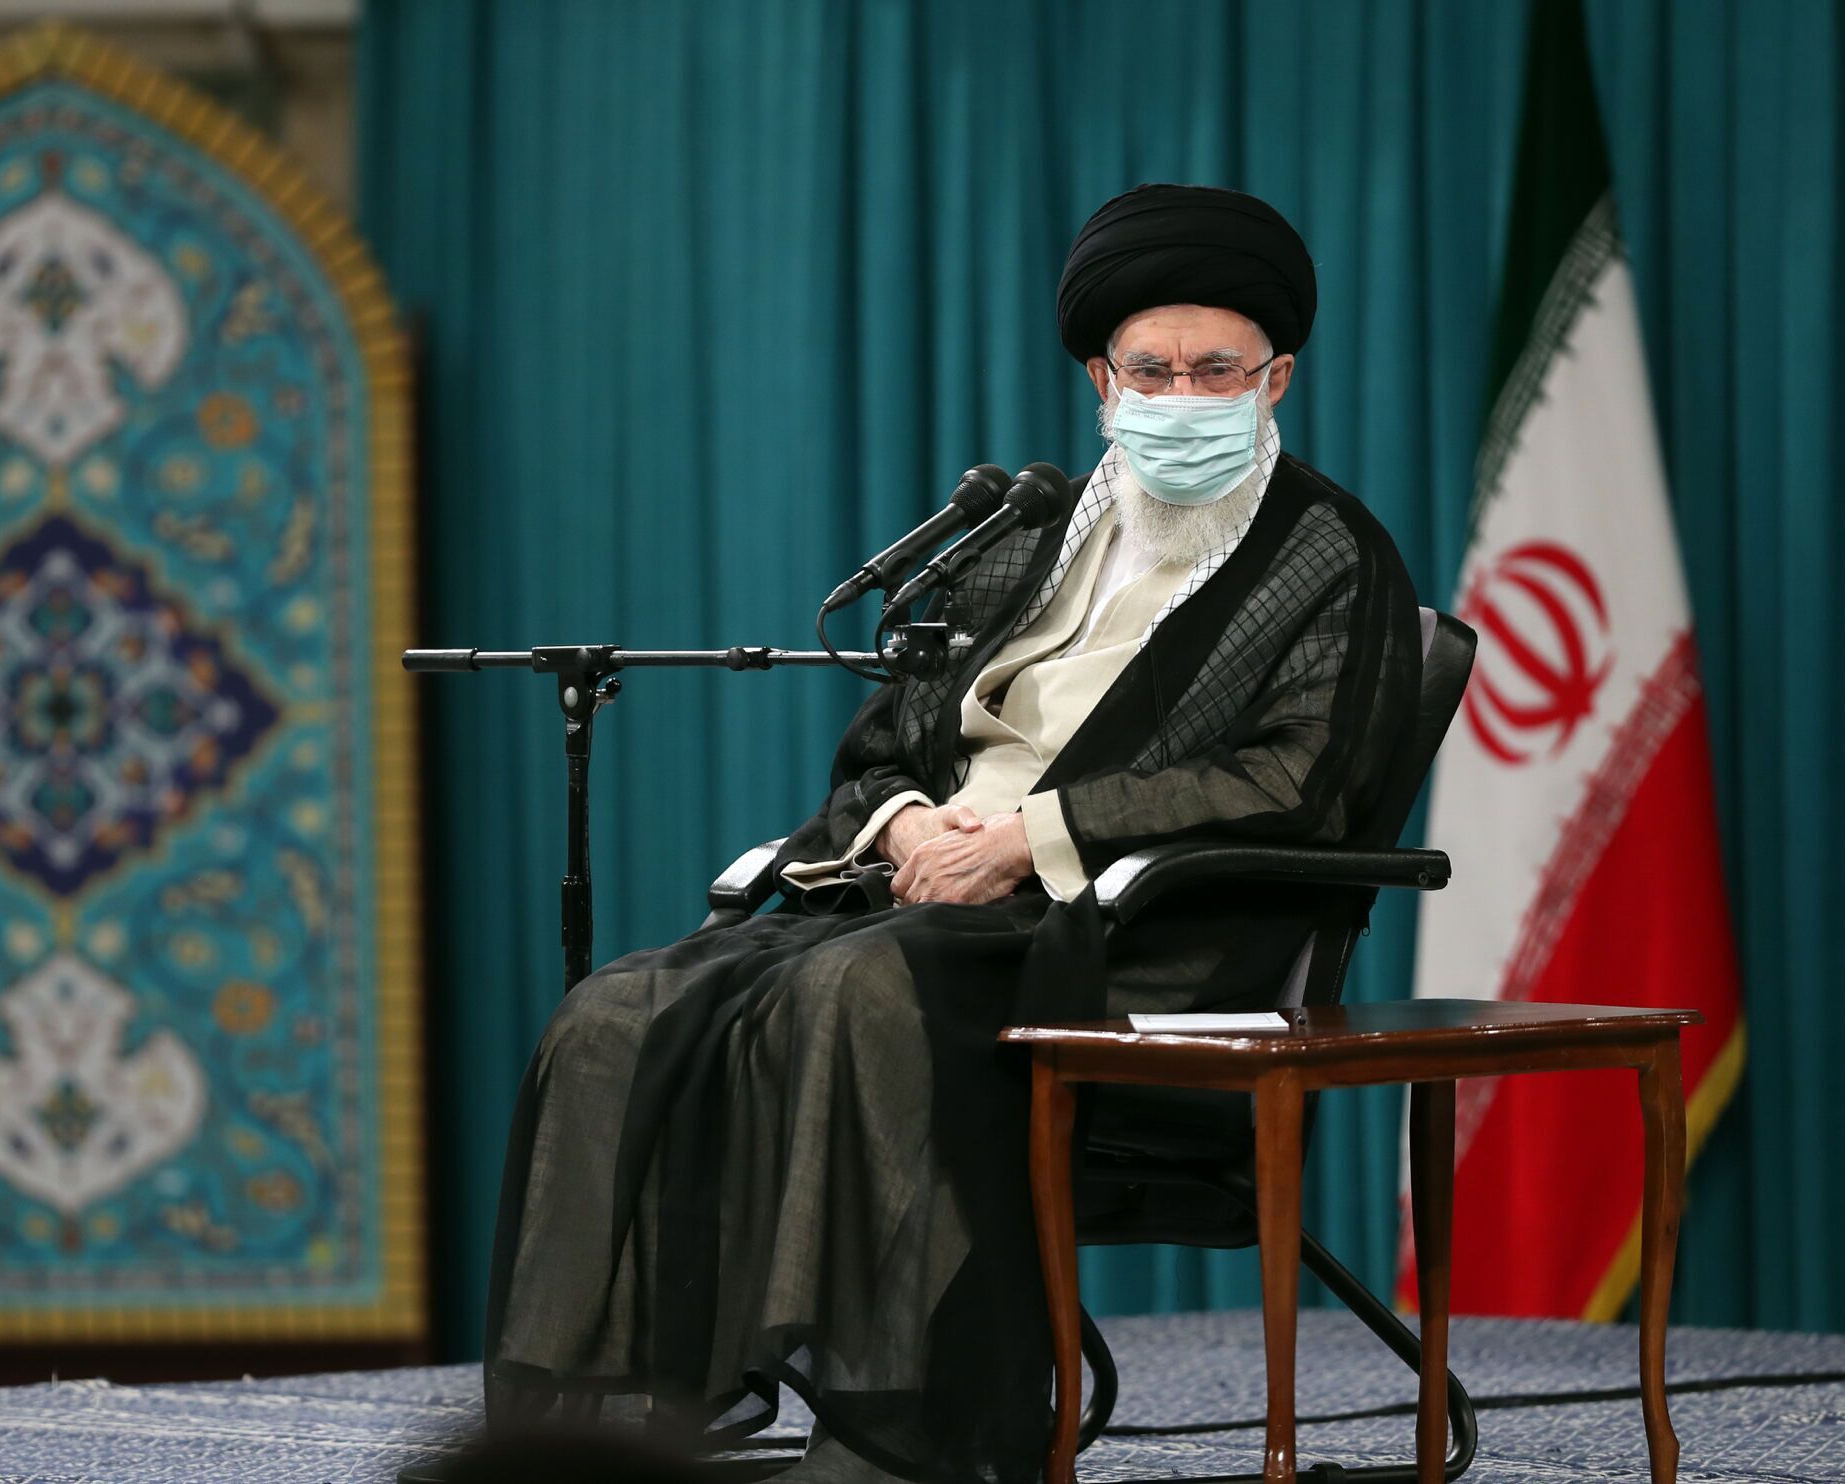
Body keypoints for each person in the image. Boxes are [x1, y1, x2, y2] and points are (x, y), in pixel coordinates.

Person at [482, 184, 1422, 1484]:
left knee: (863, 994)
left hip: (1138, 930)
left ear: (1278, 379)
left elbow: (1294, 779)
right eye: (1152, 371)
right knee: (620, 1013)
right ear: (1102, 379)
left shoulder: (1330, 555)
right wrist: (912, 818)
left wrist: (1032, 838)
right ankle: (596, 1423)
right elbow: (881, 748)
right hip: (925, 896)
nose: (1182, 396)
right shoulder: (1018, 538)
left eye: (1217, 370)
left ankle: (896, 1433)